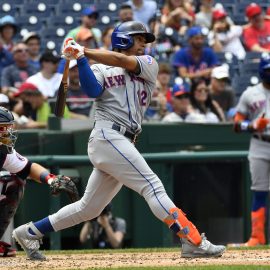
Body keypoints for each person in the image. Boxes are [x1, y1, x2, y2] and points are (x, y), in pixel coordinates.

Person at [12, 21, 225, 261]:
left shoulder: (148, 63)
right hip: (108, 136)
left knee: (89, 208)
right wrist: (81, 60)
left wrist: (84, 51)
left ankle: (30, 232)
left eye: (145, 40)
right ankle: (192, 240)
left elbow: (122, 62)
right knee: (152, 186)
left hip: (122, 141)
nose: (144, 44)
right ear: (124, 39)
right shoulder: (99, 69)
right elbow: (92, 91)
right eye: (139, 38)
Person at [0, 106, 75, 256]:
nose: (7, 133)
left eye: (8, 128)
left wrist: (51, 179)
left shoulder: (3, 152)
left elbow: (28, 168)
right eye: (3, 128)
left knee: (13, 182)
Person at [231, 54, 270, 247]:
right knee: (259, 191)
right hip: (259, 143)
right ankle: (257, 236)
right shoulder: (250, 93)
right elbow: (237, 125)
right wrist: (253, 125)